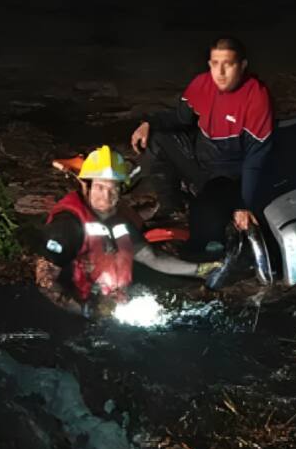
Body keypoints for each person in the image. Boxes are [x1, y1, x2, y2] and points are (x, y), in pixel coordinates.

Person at [35, 145, 223, 318]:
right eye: (100, 187)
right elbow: (45, 282)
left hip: (114, 303)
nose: (106, 196)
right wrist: (88, 311)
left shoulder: (118, 219)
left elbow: (151, 257)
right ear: (87, 186)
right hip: (81, 312)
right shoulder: (67, 225)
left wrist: (200, 270)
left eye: (113, 188)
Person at [129, 37, 276, 254]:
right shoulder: (202, 84)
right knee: (155, 139)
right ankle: (172, 210)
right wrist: (149, 123)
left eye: (228, 64)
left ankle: (206, 242)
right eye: (215, 64)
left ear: (242, 65)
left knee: (204, 222)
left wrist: (244, 205)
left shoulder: (257, 98)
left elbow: (255, 160)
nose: (221, 72)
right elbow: (181, 117)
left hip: (228, 174)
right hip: (200, 158)